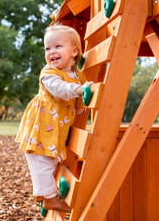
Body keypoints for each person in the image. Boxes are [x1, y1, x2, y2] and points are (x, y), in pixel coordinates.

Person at [16, 23, 93, 213]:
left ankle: (47, 192)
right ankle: (48, 198)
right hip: (41, 126)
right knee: (41, 160)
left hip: (57, 128)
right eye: (47, 48)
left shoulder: (77, 75)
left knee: (51, 161)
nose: (52, 52)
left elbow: (82, 96)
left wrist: (81, 106)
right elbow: (59, 89)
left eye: (58, 46)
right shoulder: (49, 73)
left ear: (74, 51)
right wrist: (77, 90)